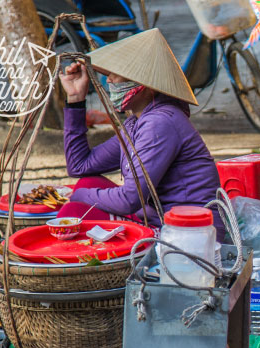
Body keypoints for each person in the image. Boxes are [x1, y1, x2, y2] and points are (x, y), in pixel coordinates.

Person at [56, 29, 224, 239]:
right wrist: (75, 99)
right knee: (88, 184)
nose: (108, 82)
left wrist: (80, 197)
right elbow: (79, 166)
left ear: (141, 83)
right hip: (158, 219)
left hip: (187, 232)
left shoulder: (159, 123)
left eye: (113, 75)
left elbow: (130, 199)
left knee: (75, 211)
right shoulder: (136, 122)